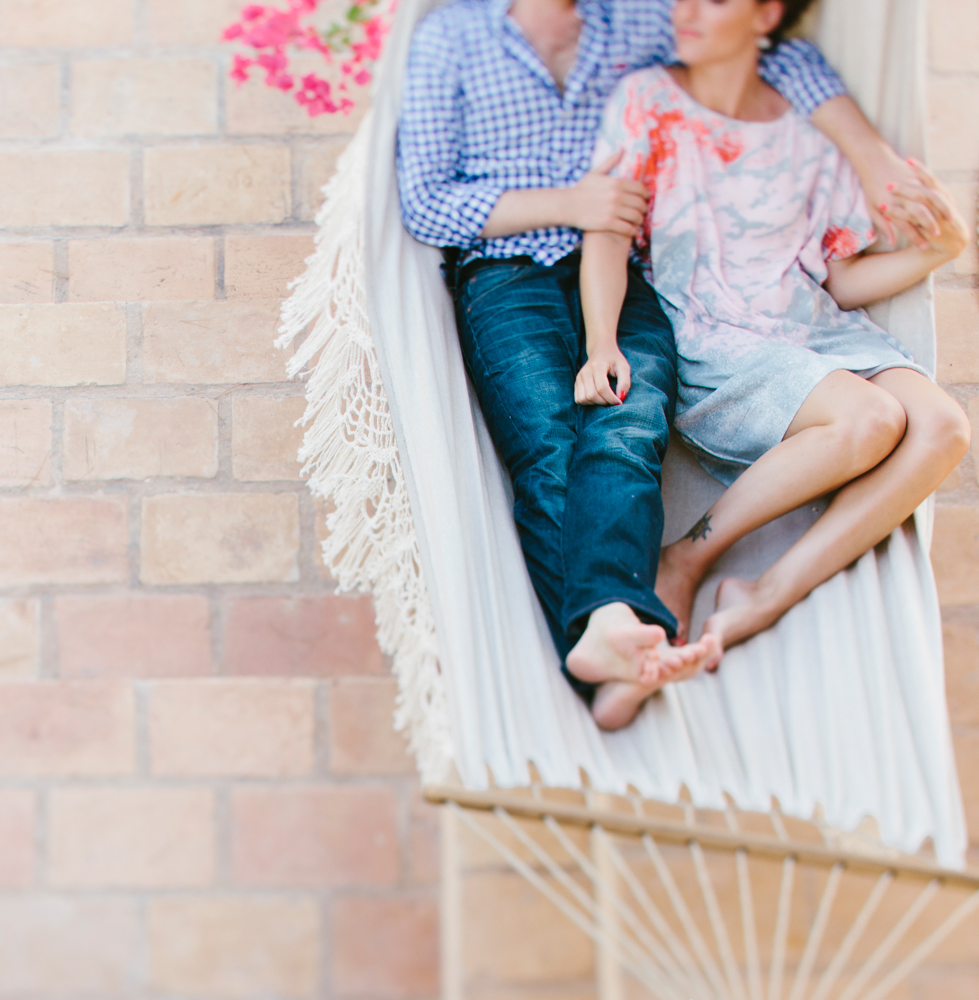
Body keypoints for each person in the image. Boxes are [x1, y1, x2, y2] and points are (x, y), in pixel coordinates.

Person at [396, 0, 949, 730]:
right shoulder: (452, 36)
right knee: (549, 443)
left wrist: (883, 168)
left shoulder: (636, 19)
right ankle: (607, 634)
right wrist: (574, 204)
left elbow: (771, 53)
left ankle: (657, 616)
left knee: (628, 430)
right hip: (510, 269)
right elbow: (424, 204)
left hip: (642, 275)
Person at [578, 0, 971, 725]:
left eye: (714, 0)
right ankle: (686, 560)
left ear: (766, 16)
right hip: (717, 339)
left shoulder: (807, 137)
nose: (686, 12)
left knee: (946, 428)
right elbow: (607, 231)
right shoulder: (649, 101)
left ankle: (765, 592)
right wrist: (602, 341)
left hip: (815, 330)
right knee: (872, 419)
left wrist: (937, 255)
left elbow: (838, 280)